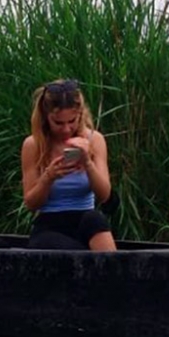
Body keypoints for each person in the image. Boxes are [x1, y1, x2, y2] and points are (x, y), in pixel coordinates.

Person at [20, 78, 116, 251]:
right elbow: (31, 203)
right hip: (50, 223)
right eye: (58, 123)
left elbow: (104, 195)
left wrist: (88, 163)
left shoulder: (95, 140)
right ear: (46, 117)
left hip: (84, 219)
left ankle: (113, 272)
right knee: (50, 243)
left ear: (80, 115)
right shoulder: (33, 145)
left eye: (72, 121)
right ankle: (89, 264)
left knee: (96, 219)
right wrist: (48, 177)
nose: (66, 129)